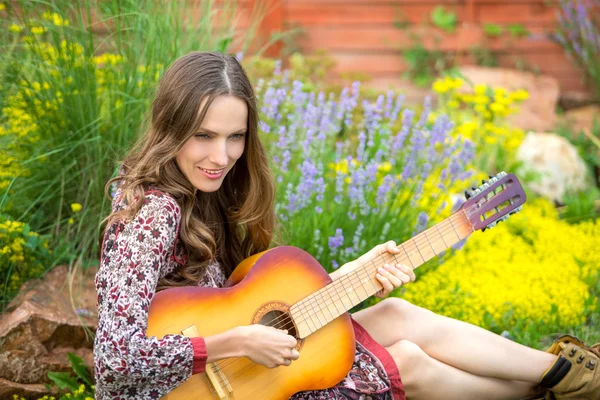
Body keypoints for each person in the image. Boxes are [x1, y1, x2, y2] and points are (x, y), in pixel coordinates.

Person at [94, 51, 599, 400]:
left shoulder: (208, 195)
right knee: (410, 360)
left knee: (398, 312)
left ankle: (564, 375)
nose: (221, 156)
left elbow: (237, 305)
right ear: (171, 126)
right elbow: (115, 360)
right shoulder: (150, 214)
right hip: (198, 387)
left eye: (236, 137)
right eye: (203, 135)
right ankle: (570, 381)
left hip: (242, 372)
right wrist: (240, 341)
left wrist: (353, 274)